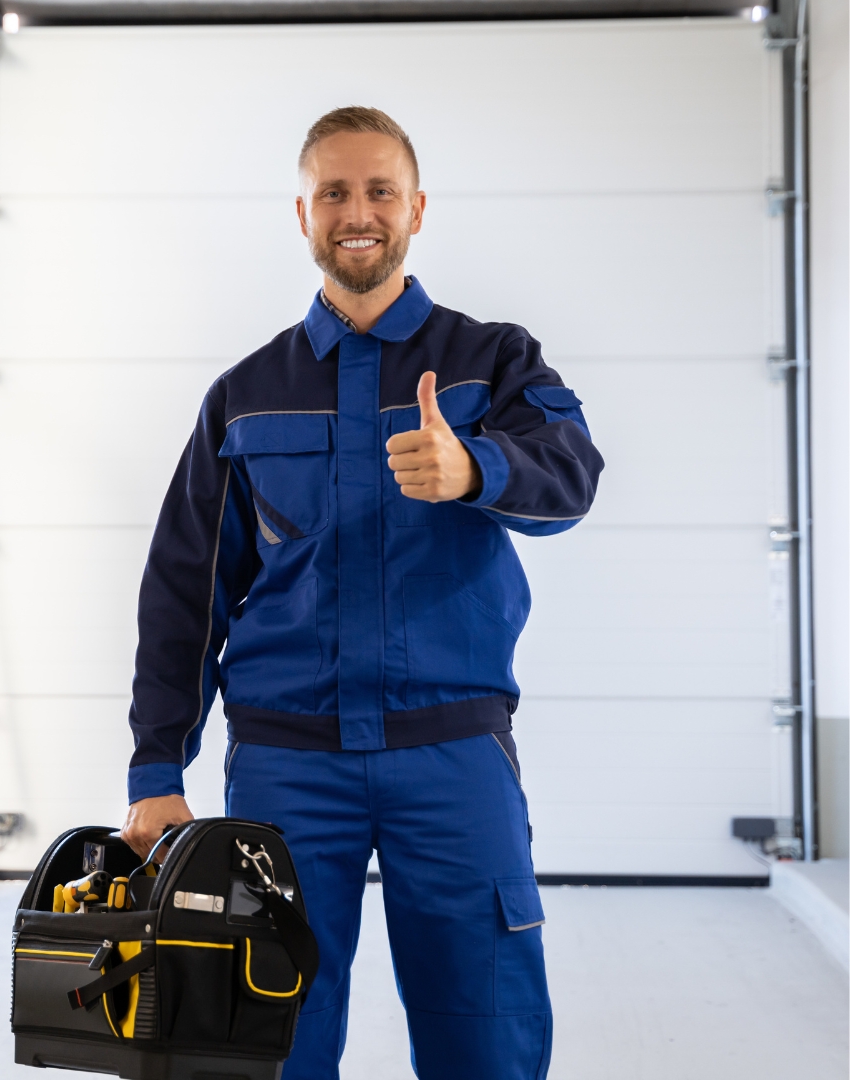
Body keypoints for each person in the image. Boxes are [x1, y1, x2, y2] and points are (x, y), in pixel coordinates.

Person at [119, 107, 603, 1080]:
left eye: (380, 190)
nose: (358, 212)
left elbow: (573, 475)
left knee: (487, 1033)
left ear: (416, 208)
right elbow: (184, 594)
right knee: (266, 1042)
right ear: (302, 214)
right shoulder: (245, 395)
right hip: (287, 767)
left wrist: (477, 469)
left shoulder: (492, 363)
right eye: (334, 192)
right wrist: (155, 771)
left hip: (452, 752)